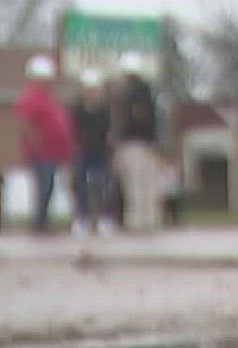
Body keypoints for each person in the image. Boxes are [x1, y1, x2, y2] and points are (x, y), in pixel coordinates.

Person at [15, 54, 77, 235]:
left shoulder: (49, 98)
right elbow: (25, 122)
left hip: (54, 153)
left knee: (49, 188)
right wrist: (36, 144)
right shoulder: (30, 97)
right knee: (44, 187)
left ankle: (43, 221)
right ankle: (39, 223)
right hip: (41, 154)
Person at [110, 52, 161, 231]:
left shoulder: (128, 94)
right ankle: (150, 218)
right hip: (147, 143)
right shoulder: (148, 92)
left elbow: (125, 121)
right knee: (147, 182)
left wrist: (116, 140)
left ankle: (137, 220)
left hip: (132, 143)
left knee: (134, 183)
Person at [68, 68, 116, 236]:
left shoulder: (105, 110)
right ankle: (82, 219)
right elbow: (72, 130)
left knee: (103, 186)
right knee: (80, 186)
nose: (92, 92)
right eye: (89, 89)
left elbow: (109, 131)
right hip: (82, 152)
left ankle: (104, 219)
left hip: (101, 152)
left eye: (95, 89)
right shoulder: (76, 109)